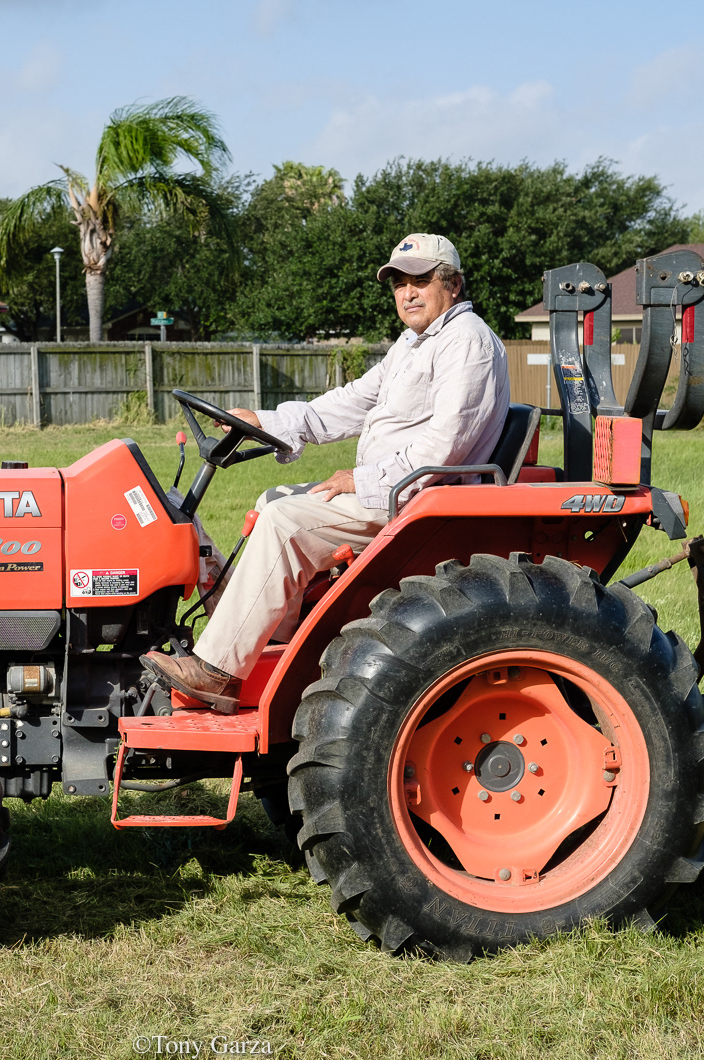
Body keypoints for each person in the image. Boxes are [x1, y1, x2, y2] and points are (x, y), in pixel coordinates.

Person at [141, 232, 511, 712]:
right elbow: (354, 400)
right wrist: (267, 421)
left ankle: (218, 671)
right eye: (398, 282)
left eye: (421, 280)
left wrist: (362, 479)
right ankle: (270, 648)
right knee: (273, 500)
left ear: (454, 284)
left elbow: (447, 445)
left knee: (285, 521)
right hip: (399, 490)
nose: (407, 292)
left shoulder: (468, 343)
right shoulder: (414, 344)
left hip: (421, 499)